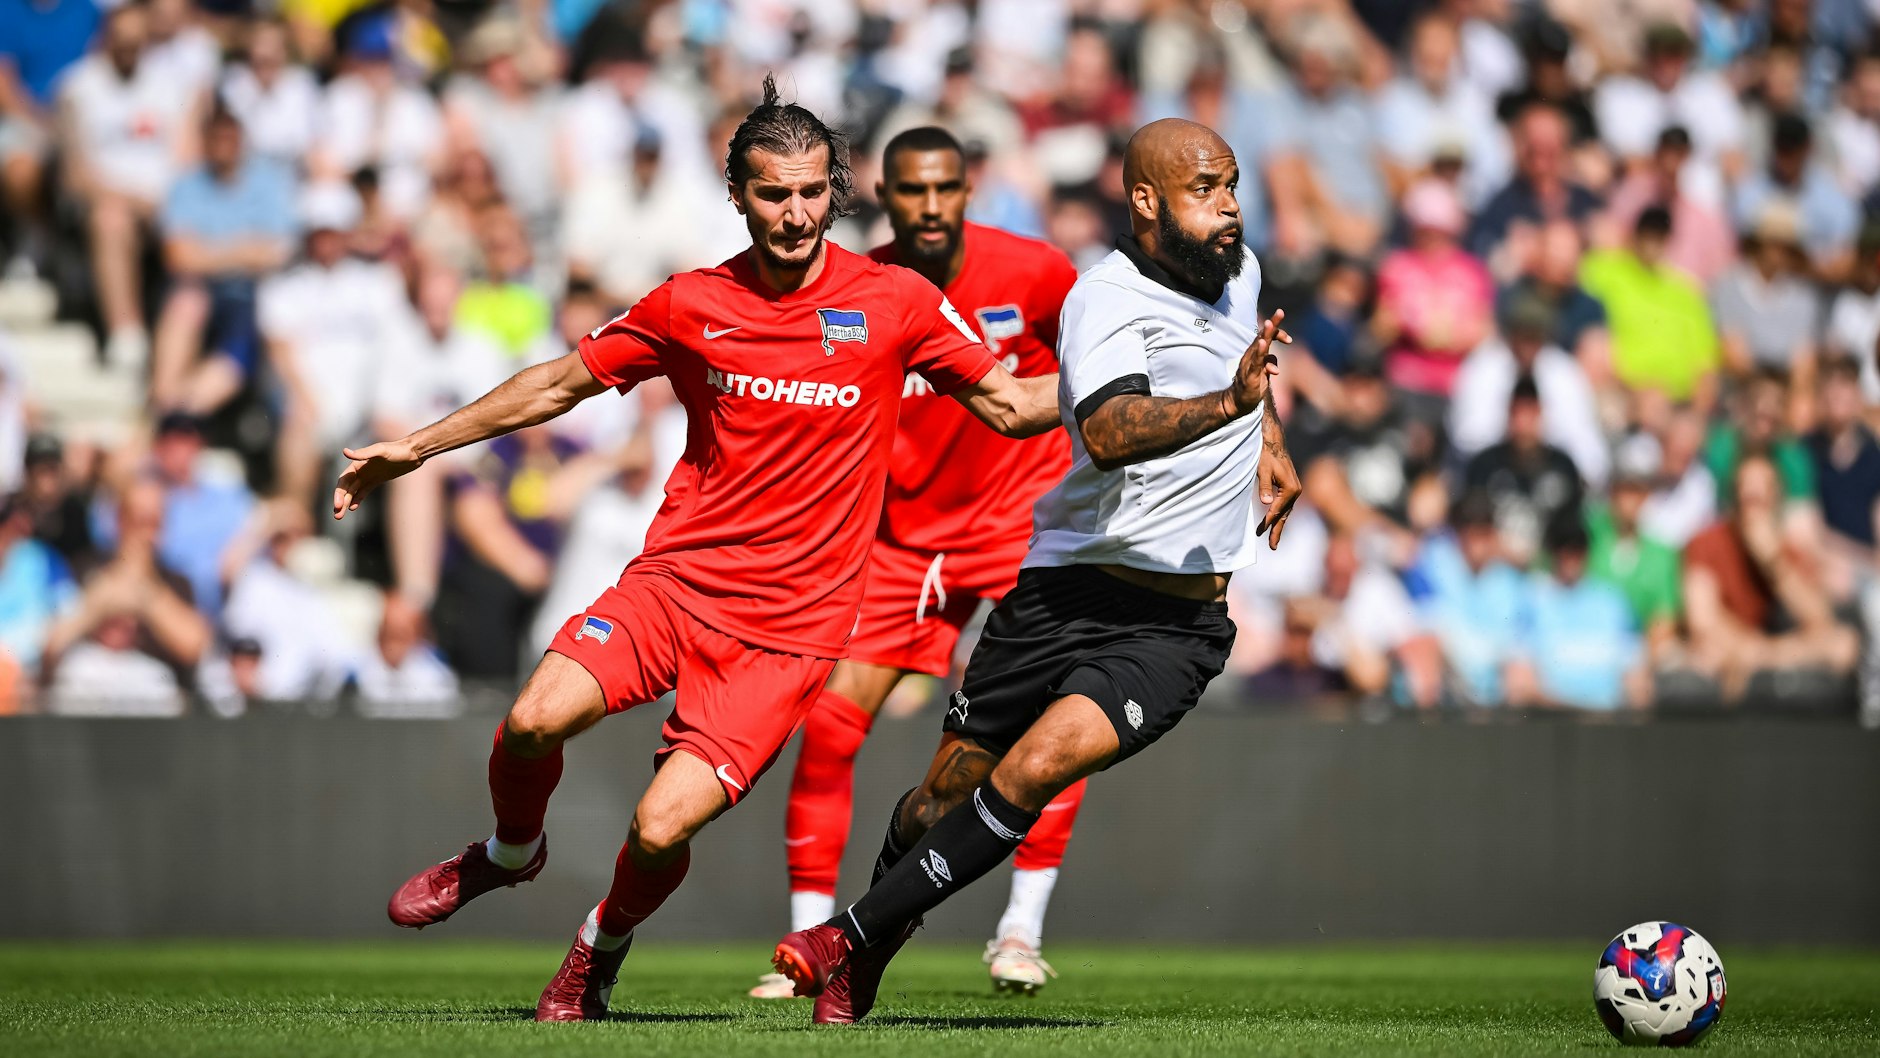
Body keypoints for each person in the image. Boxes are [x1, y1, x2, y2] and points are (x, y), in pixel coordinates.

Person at [340, 78, 1058, 1023]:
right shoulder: (693, 303)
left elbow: (1011, 404)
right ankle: (511, 853)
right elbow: (560, 385)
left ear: (835, 190)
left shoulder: (895, 302)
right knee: (529, 721)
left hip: (793, 631)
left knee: (657, 826)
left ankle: (596, 955)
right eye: (773, 194)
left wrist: (1165, 400)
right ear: (738, 195)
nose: (795, 214)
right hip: (677, 585)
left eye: (810, 193)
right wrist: (419, 446)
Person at [769, 117, 1302, 1026]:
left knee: (1037, 765)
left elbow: (1237, 365)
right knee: (942, 795)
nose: (1229, 207)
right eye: (1207, 189)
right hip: (1064, 592)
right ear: (1146, 203)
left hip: (1175, 625)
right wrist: (1233, 405)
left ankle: (846, 936)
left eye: (1232, 185)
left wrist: (1269, 437)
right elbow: (1104, 430)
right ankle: (870, 955)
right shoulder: (1102, 296)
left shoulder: (1238, 272)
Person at [747, 126, 1084, 1002]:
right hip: (905, 542)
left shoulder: (1040, 273)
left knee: (1052, 724)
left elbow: (1098, 363)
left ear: (968, 190)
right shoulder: (860, 289)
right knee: (827, 729)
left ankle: (1020, 931)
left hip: (1023, 522)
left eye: (944, 188)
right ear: (881, 196)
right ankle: (804, 940)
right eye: (911, 190)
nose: (929, 205)